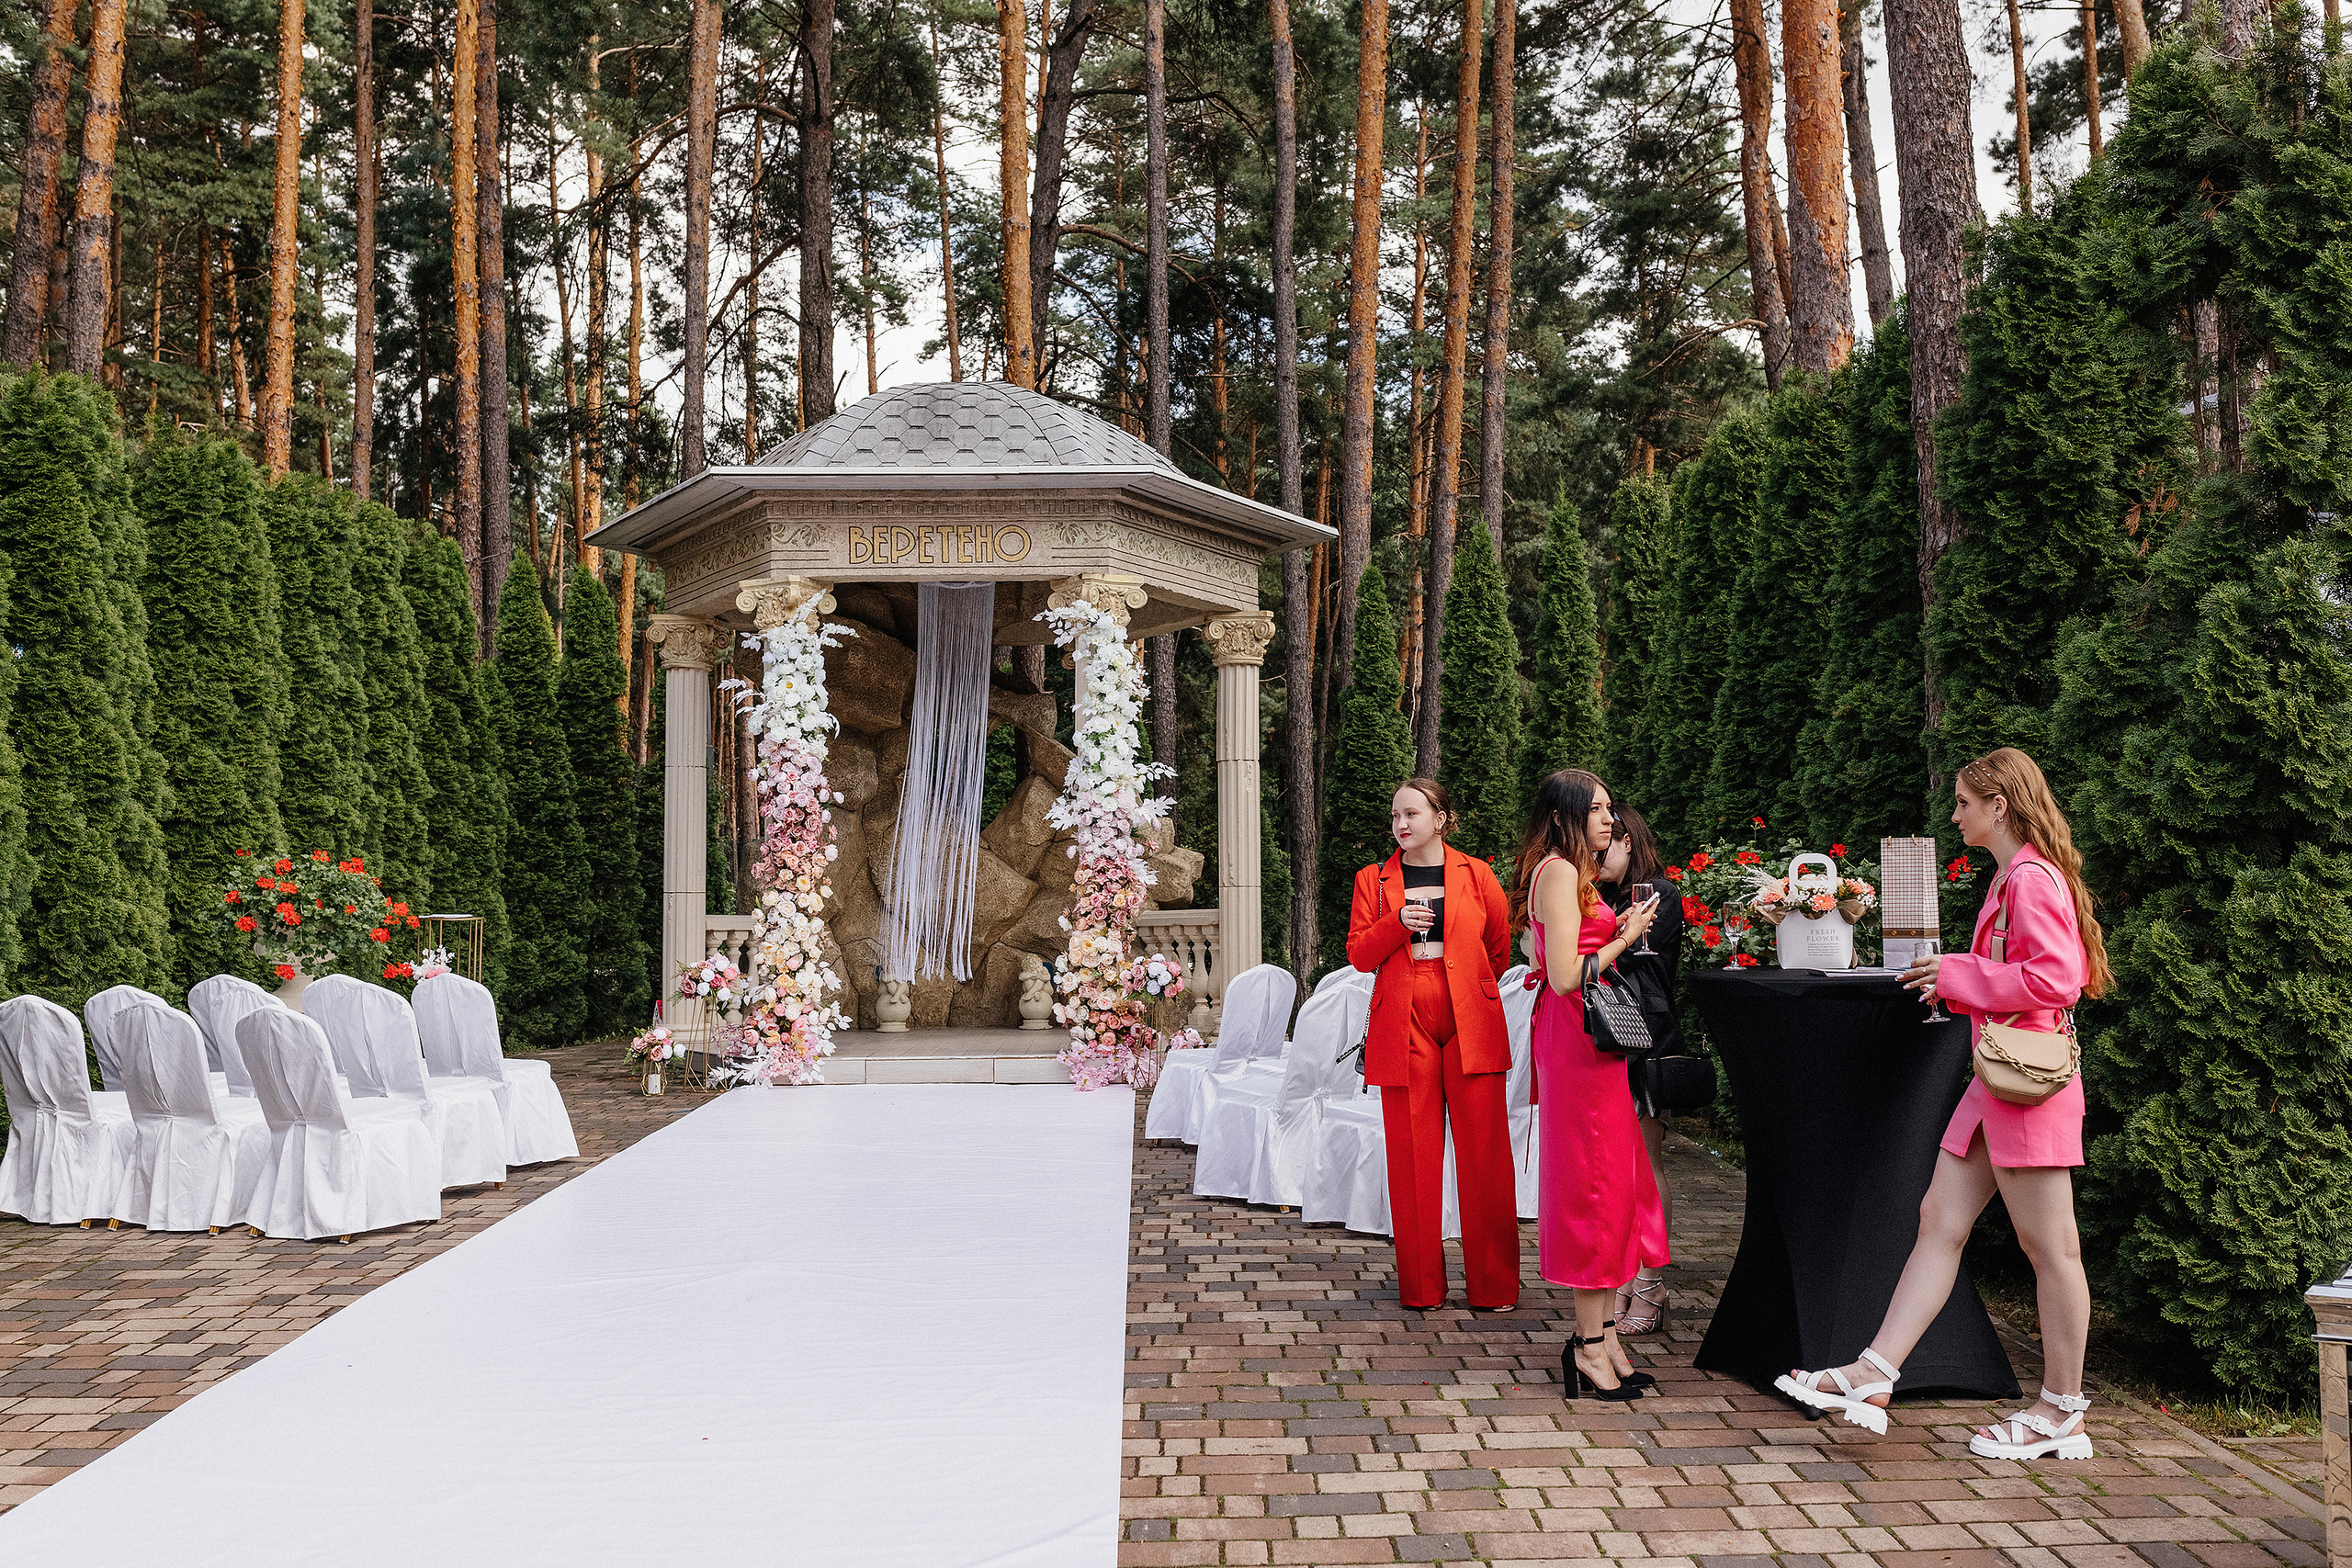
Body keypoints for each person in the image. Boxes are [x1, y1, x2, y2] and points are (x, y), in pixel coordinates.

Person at [1779, 746, 2111, 1460]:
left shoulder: (2027, 879)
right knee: (1939, 1220)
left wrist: (1958, 972)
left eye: (1964, 802)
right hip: (2001, 1082)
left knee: (2050, 1248)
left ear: (2000, 805)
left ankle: (2062, 1411)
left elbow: (2059, 977)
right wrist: (1957, 981)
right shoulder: (2015, 878)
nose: (1955, 813)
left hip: (2026, 1085)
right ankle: (1874, 1373)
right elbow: (2016, 973)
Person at [1516, 768, 1667, 1400]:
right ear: (1563, 816)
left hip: (1589, 1043)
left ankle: (1604, 1338)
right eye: (1597, 809)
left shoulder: (1573, 875)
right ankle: (1585, 1346)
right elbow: (1559, 975)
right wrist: (1626, 936)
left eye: (1609, 808)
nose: (1610, 819)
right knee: (1593, 1184)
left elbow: (1543, 951)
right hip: (1577, 1042)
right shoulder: (1556, 872)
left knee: (1610, 1185)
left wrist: (1615, 923)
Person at [1345, 778, 1521, 1313]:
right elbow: (1358, 954)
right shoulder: (1372, 879)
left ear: (1441, 818)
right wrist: (1397, 923)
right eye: (1395, 815)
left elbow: (1498, 948)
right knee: (1412, 1158)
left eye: (1412, 814)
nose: (1401, 824)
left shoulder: (1478, 874)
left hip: (1471, 1012)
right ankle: (1422, 1288)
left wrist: (1468, 986)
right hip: (1404, 1018)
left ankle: (1494, 1288)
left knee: (1485, 1157)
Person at [1594, 800, 1682, 1337]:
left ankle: (1651, 1285)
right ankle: (1625, 1278)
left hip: (1642, 1034)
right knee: (1615, 1169)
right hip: (1602, 1037)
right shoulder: (1595, 895)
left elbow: (1645, 965)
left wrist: (1613, 936)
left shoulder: (1659, 895)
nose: (1596, 855)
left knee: (1645, 1167)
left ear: (1631, 842)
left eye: (1606, 846)